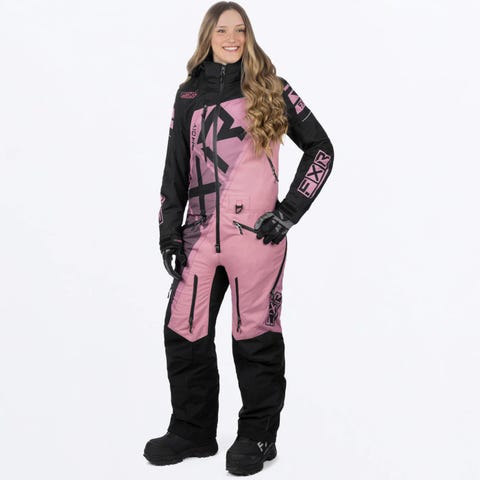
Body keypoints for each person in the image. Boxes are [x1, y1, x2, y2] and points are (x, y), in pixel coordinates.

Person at [143, 1, 334, 476]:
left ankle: (257, 435)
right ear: (207, 37)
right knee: (183, 332)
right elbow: (174, 170)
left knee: (256, 337)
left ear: (249, 37)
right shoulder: (187, 96)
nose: (232, 38)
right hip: (198, 238)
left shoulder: (272, 88)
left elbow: (321, 150)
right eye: (222, 30)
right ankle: (192, 430)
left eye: (240, 30)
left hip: (257, 241)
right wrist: (169, 233)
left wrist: (288, 213)